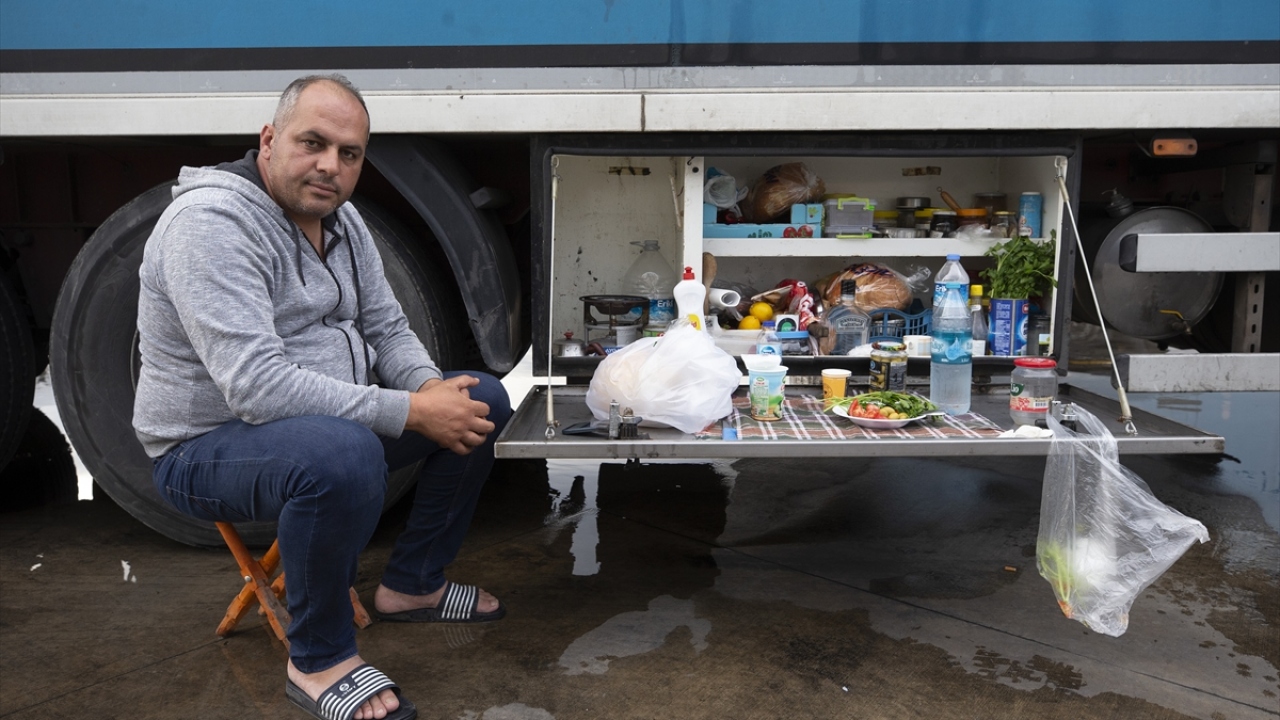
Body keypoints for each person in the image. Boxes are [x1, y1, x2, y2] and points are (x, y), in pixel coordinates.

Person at [133, 74, 512, 720]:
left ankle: (412, 585)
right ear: (269, 140)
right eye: (313, 143)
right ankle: (318, 660)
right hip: (203, 448)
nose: (330, 165)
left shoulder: (341, 219)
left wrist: (430, 391)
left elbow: (388, 328)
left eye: (349, 153)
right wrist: (411, 411)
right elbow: (257, 387)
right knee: (343, 454)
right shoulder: (209, 225)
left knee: (482, 400)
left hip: (319, 430)